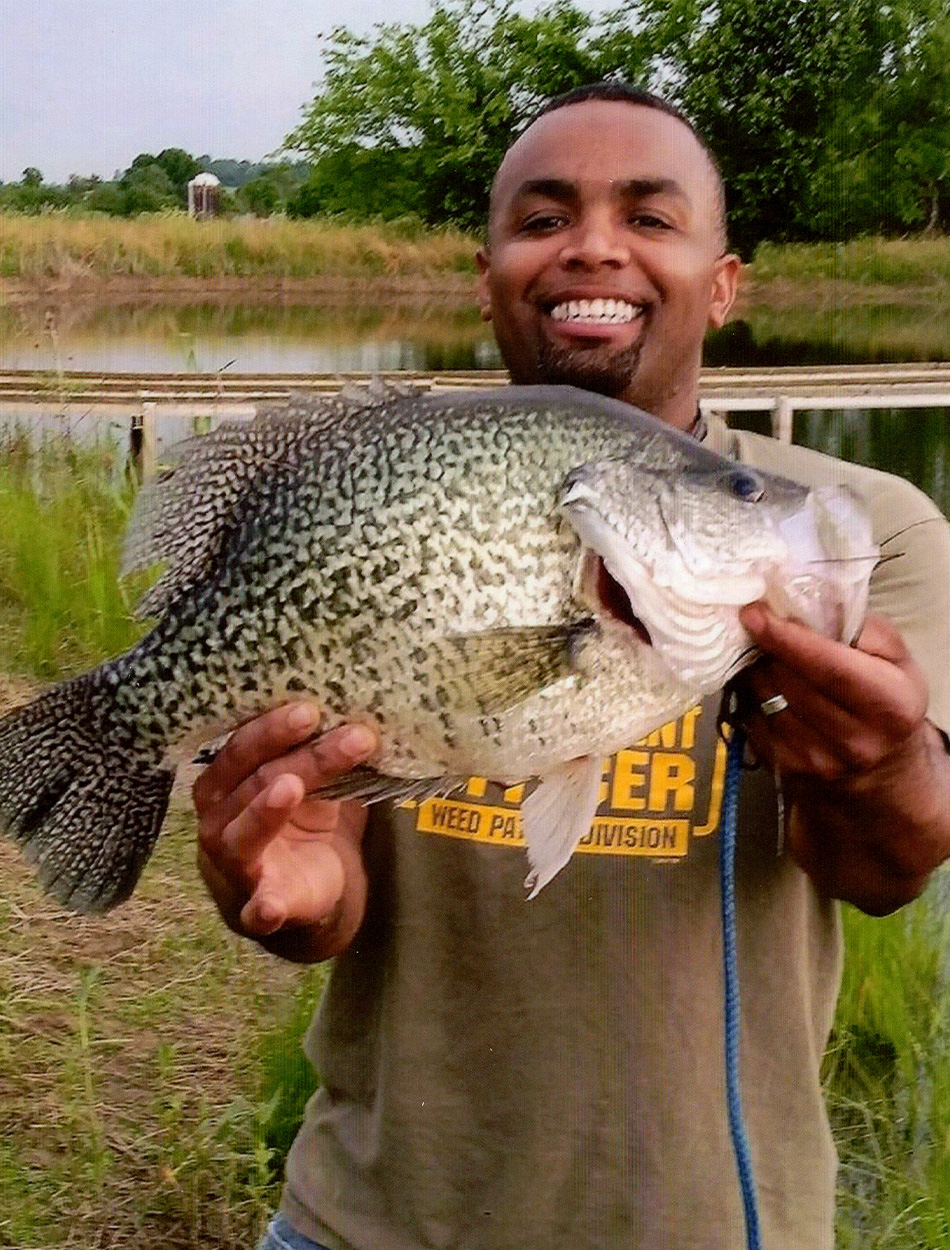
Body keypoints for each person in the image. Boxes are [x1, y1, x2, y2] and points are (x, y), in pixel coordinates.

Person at [194, 83, 950, 1250]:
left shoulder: (870, 524)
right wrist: (283, 891)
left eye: (648, 217)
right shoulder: (406, 471)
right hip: (364, 1221)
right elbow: (318, 895)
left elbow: (886, 865)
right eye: (542, 219)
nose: (592, 244)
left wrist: (880, 766)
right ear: (487, 274)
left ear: (724, 280)